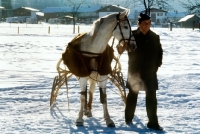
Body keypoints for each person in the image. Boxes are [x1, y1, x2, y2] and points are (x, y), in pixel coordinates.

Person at [118, 13, 163, 131]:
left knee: (151, 98)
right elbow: (121, 49)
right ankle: (128, 119)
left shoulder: (155, 37)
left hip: (150, 72)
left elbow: (160, 54)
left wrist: (156, 66)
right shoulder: (131, 36)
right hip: (135, 72)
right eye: (145, 23)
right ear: (139, 23)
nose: (147, 25)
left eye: (149, 23)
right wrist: (121, 46)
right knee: (132, 96)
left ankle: (153, 122)